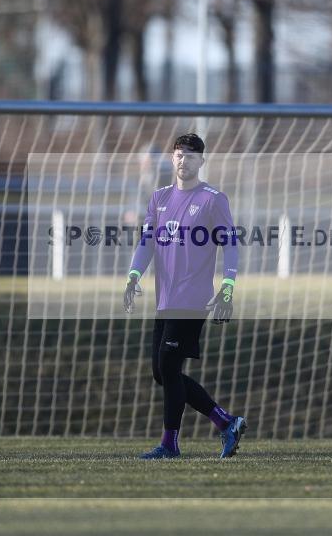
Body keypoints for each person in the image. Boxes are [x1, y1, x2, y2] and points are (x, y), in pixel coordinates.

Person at [123, 133, 246, 460]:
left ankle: (169, 444)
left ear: (201, 161)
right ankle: (226, 421)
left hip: (194, 299)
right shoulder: (159, 197)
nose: (183, 160)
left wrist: (228, 286)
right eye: (179, 154)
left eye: (191, 156)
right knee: (163, 372)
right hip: (164, 298)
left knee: (168, 365)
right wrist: (134, 275)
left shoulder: (213, 199)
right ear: (172, 158)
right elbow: (146, 242)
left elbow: (230, 245)